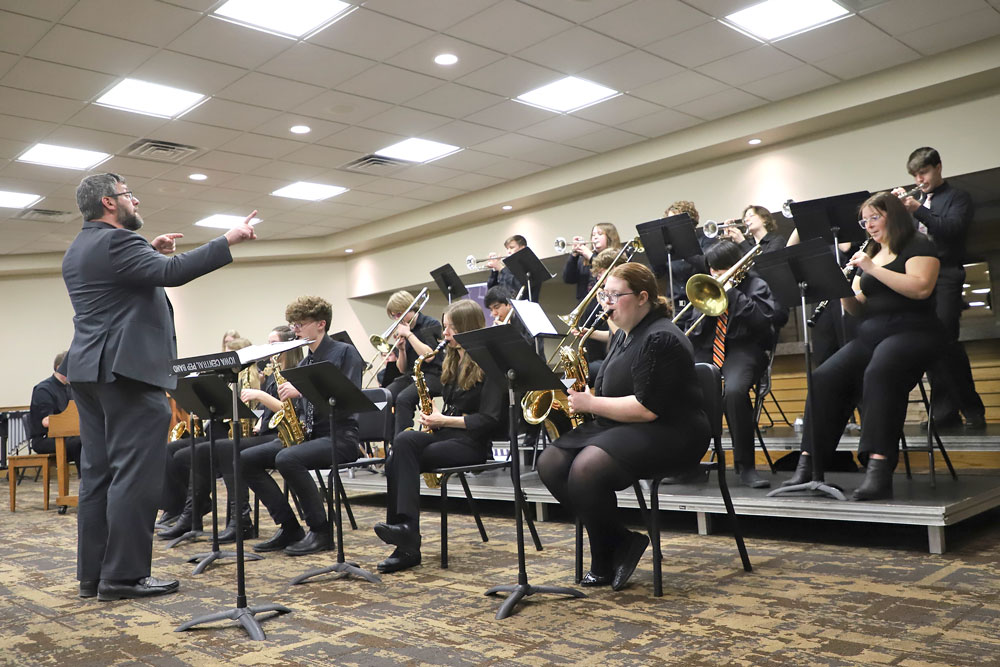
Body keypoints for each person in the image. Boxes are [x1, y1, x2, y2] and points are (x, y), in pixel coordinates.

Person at [62, 172, 256, 601]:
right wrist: (229, 239)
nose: (135, 200)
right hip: (128, 373)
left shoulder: (79, 248)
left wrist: (147, 252)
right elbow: (173, 272)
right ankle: (125, 576)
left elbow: (121, 284)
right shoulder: (117, 242)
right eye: (129, 194)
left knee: (98, 476)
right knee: (134, 476)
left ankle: (93, 576)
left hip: (89, 374)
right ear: (110, 203)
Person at [537, 263, 710, 591]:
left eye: (615, 296)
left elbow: (647, 409)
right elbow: (611, 386)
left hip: (673, 431)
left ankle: (604, 554)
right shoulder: (624, 334)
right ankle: (619, 540)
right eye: (605, 296)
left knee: (587, 467)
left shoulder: (660, 337)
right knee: (550, 463)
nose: (607, 303)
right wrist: (574, 386)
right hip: (622, 424)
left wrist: (590, 404)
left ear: (643, 297)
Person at [782, 192, 942, 500]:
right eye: (864, 220)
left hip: (914, 332)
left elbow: (921, 288)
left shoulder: (918, 246)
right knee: (824, 378)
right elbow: (857, 307)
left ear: (892, 215)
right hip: (871, 335)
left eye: (874, 218)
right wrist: (840, 288)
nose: (868, 225)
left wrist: (870, 269)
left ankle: (878, 469)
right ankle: (809, 465)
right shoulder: (871, 251)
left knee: (881, 370)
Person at [373, 299, 504, 574]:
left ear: (467, 329)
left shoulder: (491, 364)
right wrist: (436, 417)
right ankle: (405, 532)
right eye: (444, 327)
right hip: (447, 436)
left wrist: (444, 419)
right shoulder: (453, 360)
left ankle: (406, 543)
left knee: (402, 454)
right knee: (402, 444)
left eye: (450, 328)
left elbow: (490, 420)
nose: (444, 334)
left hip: (473, 444)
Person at [244, 296, 365, 556]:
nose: (295, 329)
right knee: (244, 459)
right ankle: (289, 526)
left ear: (321, 324)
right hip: (308, 435)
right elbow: (298, 410)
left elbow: (347, 400)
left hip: (340, 436)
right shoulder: (303, 363)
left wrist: (303, 391)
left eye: (300, 324)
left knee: (287, 458)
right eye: (293, 324)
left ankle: (321, 530)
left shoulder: (345, 353)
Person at [680, 240, 787, 488]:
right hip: (709, 350)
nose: (715, 274)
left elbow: (764, 324)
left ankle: (746, 466)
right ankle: (688, 465)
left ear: (735, 266)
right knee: (681, 389)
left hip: (744, 349)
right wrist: (707, 304)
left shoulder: (756, 285)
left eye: (720, 268)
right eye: (712, 269)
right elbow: (694, 333)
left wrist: (732, 294)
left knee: (736, 392)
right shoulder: (706, 287)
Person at [892, 147, 985, 430]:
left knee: (945, 342)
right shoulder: (915, 204)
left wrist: (917, 209)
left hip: (946, 275)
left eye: (924, 172)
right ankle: (945, 412)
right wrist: (897, 211)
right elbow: (903, 240)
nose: (920, 179)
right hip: (920, 278)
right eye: (916, 175)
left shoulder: (958, 198)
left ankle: (971, 409)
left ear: (938, 168)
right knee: (930, 346)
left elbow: (951, 230)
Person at [381, 290, 443, 435]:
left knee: (403, 399)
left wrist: (409, 335)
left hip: (433, 374)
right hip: (411, 375)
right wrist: (401, 350)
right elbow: (402, 369)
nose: (398, 318)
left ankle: (402, 439)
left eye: (400, 313)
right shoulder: (401, 330)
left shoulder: (430, 323)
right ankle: (391, 441)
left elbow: (429, 356)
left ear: (410, 308)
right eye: (394, 316)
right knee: (385, 396)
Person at [27, 351, 82, 468]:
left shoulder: (71, 388)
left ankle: (94, 480)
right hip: (44, 439)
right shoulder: (43, 390)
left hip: (65, 436)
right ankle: (87, 482)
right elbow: (47, 421)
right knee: (81, 443)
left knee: (91, 439)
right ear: (59, 368)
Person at [562, 223, 622, 301]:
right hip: (586, 307)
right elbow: (568, 279)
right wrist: (574, 256)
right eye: (593, 235)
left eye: (600, 234)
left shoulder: (619, 256)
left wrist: (590, 256)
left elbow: (611, 274)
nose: (595, 237)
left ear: (610, 237)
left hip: (606, 303)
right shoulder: (584, 260)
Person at [486, 235, 543, 302]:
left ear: (522, 248)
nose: (508, 251)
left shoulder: (531, 266)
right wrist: (494, 271)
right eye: (507, 249)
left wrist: (501, 268)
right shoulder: (507, 270)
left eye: (511, 248)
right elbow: (493, 291)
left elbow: (519, 288)